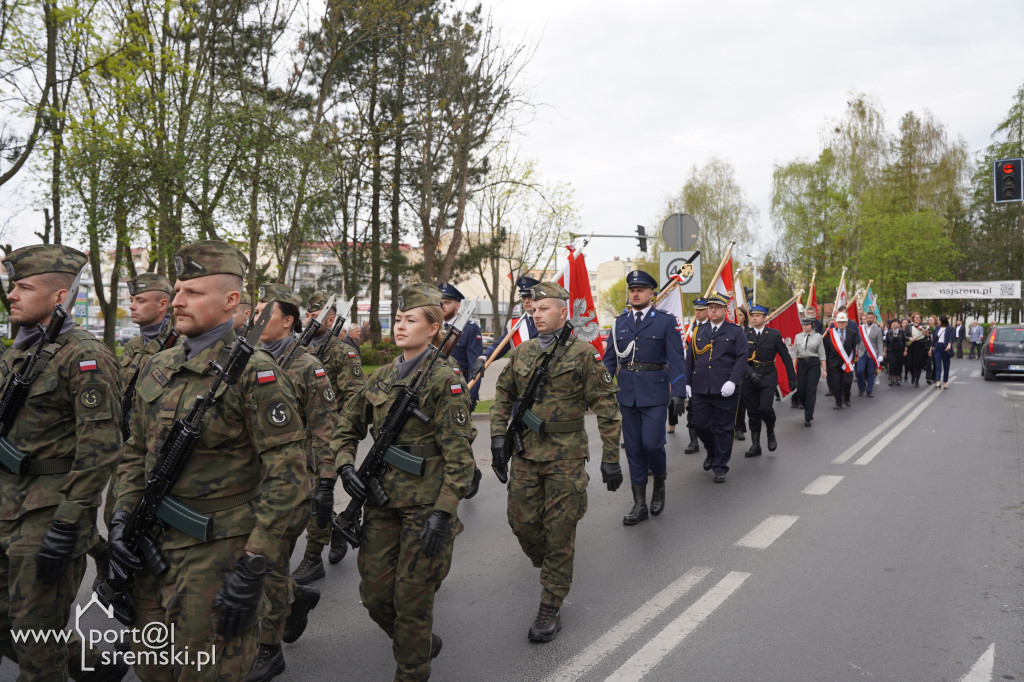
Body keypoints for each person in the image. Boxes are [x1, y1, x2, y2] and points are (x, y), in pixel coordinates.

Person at [110, 240, 309, 681]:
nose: (178, 300)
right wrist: (122, 517)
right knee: (151, 669)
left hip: (219, 552)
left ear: (231, 301)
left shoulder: (256, 374)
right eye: (178, 290)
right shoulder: (158, 366)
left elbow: (290, 478)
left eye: (193, 292)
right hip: (152, 544)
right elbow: (135, 453)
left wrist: (255, 562)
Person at [332, 283, 475, 680]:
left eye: (410, 320)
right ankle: (419, 643)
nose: (400, 326)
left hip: (426, 508)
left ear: (433, 329)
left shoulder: (445, 380)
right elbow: (346, 427)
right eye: (398, 319)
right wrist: (346, 467)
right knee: (374, 597)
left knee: (412, 602)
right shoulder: (380, 378)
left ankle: (412, 667)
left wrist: (444, 513)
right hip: (381, 503)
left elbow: (460, 459)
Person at [0, 245, 126, 681]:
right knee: (11, 625)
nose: (11, 294)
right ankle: (86, 663)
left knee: (35, 640)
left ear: (59, 297)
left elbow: (101, 447)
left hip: (47, 515)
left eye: (23, 287)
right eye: (12, 285)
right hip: (6, 506)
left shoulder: (85, 357)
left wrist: (69, 523)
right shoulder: (16, 354)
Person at [492, 281, 622, 640]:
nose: (536, 315)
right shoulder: (523, 352)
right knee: (521, 524)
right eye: (533, 310)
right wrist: (499, 437)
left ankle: (550, 603)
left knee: (560, 530)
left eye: (544, 309)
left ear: (563, 313)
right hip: (526, 454)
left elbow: (607, 407)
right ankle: (552, 564)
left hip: (566, 456)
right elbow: (502, 395)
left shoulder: (583, 354)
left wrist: (611, 457)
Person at [248, 285, 338, 681]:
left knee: (268, 559)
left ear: (288, 321)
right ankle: (295, 596)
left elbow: (325, 428)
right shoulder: (245, 358)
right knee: (252, 559)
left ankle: (269, 649)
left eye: (265, 314)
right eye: (254, 312)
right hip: (248, 479)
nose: (255, 320)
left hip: (290, 480)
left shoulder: (307, 366)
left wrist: (324, 483)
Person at [96, 273, 179, 586]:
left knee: (153, 530)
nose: (132, 305)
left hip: (160, 454)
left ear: (162, 304)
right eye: (131, 300)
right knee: (114, 518)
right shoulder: (133, 346)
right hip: (128, 450)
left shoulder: (180, 346)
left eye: (140, 300)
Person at [602, 270, 685, 524]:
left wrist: (678, 392)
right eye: (632, 290)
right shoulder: (619, 323)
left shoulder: (665, 321)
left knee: (652, 445)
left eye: (640, 290)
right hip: (627, 393)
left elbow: (676, 359)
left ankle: (659, 483)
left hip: (655, 392)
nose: (635, 294)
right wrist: (597, 389)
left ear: (652, 294)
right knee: (634, 449)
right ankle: (639, 504)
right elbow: (609, 361)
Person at [292, 290, 365, 579]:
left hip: (328, 436)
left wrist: (340, 439)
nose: (309, 320)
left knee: (317, 496)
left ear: (330, 319)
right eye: (308, 315)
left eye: (315, 316)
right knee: (305, 496)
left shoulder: (342, 352)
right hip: (298, 436)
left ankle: (312, 558)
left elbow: (355, 400)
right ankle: (334, 529)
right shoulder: (298, 350)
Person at [683, 292, 747, 483]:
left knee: (724, 428)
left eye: (717, 307)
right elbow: (690, 359)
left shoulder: (735, 331)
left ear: (725, 310)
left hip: (725, 388)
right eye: (710, 307)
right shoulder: (698, 331)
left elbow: (742, 357)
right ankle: (712, 451)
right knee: (700, 424)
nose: (713, 310)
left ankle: (720, 466)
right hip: (701, 387)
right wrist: (687, 383)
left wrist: (733, 380)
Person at [741, 304, 796, 456]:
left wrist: (792, 377)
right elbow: (740, 358)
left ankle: (770, 431)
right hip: (749, 377)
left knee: (765, 408)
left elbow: (785, 357)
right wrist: (750, 373)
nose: (754, 318)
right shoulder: (744, 334)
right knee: (753, 412)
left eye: (757, 316)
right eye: (752, 316)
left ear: (765, 318)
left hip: (767, 376)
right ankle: (755, 445)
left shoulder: (774, 334)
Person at [471, 276, 539, 382]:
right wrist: (483, 357)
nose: (526, 301)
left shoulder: (550, 321)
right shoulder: (515, 324)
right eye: (523, 297)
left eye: (530, 296)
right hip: (521, 380)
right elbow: (500, 345)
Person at [439, 283, 482, 405]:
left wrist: (471, 395)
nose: (443, 306)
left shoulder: (470, 329)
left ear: (457, 305)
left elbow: (474, 365)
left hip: (458, 389)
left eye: (447, 302)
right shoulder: (432, 327)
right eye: (440, 303)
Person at [683, 297, 709, 455]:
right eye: (696, 310)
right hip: (693, 376)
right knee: (692, 410)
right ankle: (693, 442)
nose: (698, 312)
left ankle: (711, 443)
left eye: (701, 310)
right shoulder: (689, 329)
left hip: (708, 376)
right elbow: (687, 358)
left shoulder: (712, 328)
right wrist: (686, 381)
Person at [791, 316, 826, 426]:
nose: (805, 326)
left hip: (813, 364)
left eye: (807, 324)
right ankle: (807, 406)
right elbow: (794, 353)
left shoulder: (818, 337)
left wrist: (824, 369)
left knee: (811, 390)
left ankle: (808, 416)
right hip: (802, 363)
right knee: (801, 390)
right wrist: (793, 368)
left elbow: (822, 354)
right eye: (803, 324)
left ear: (813, 325)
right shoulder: (798, 336)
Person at [823, 311, 858, 409]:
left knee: (847, 382)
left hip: (847, 362)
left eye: (843, 322)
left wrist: (852, 360)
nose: (841, 324)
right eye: (839, 322)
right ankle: (838, 403)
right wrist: (827, 362)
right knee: (836, 384)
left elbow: (854, 348)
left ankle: (847, 398)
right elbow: (827, 348)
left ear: (847, 323)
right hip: (834, 363)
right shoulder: (830, 333)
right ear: (836, 323)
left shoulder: (852, 333)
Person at [855, 312, 883, 398]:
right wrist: (855, 352)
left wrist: (880, 355)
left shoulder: (878, 330)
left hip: (872, 354)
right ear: (866, 318)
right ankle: (861, 388)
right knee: (859, 371)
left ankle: (869, 391)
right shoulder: (860, 328)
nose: (869, 319)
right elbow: (857, 341)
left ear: (874, 319)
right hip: (861, 353)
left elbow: (880, 343)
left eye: (871, 317)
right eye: (868, 317)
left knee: (871, 372)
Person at [733, 306, 750, 441]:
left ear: (745, 317)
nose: (738, 317)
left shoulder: (748, 332)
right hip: (727, 369)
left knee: (740, 400)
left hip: (743, 370)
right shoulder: (729, 331)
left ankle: (739, 428)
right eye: (736, 314)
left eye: (740, 315)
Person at [904, 312, 929, 387]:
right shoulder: (908, 326)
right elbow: (904, 336)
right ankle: (913, 375)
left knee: (918, 364)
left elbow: (928, 336)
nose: (918, 319)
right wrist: (909, 338)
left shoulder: (924, 326)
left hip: (920, 346)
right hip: (911, 346)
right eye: (917, 317)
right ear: (913, 318)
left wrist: (926, 334)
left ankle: (917, 381)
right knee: (910, 364)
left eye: (919, 317)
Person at [932, 314, 953, 389]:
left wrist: (949, 345)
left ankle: (945, 382)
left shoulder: (950, 328)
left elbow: (951, 337)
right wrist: (931, 348)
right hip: (937, 347)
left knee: (946, 366)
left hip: (946, 348)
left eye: (938, 320)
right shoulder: (937, 328)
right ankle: (938, 381)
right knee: (938, 365)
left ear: (942, 320)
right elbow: (934, 339)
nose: (937, 321)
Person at [884, 319, 905, 386]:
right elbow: (886, 343)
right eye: (893, 323)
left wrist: (905, 350)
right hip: (891, 351)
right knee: (892, 364)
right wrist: (885, 352)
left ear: (898, 324)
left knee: (898, 365)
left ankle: (897, 379)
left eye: (896, 323)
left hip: (900, 351)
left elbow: (905, 342)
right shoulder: (889, 332)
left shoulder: (902, 331)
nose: (894, 324)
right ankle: (892, 380)